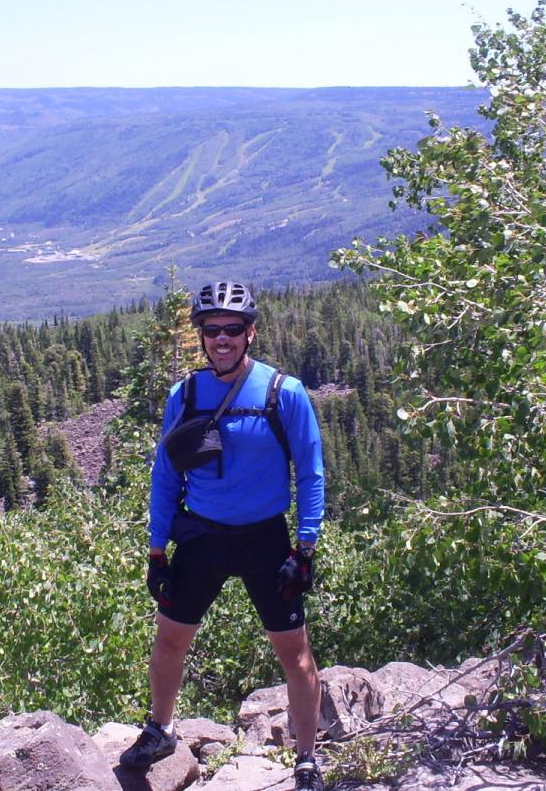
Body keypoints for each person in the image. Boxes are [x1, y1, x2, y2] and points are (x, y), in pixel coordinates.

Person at [120, 280, 327, 791]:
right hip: (200, 537)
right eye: (212, 330)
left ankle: (306, 759)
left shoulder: (284, 392)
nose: (222, 339)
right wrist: (156, 548)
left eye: (232, 329)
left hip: (265, 541)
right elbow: (165, 475)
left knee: (295, 655)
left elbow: (311, 471)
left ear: (250, 333)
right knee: (169, 640)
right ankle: (162, 729)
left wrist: (304, 549)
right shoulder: (185, 395)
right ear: (202, 336)